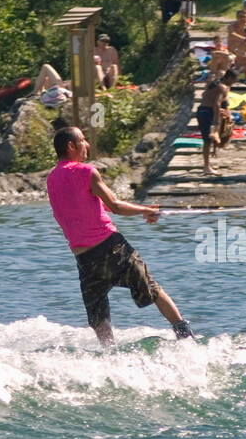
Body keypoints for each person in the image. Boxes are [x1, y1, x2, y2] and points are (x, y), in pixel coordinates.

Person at [46, 126, 194, 345]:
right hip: (111, 248)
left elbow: (77, 210)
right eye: (83, 140)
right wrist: (146, 210)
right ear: (71, 146)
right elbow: (114, 206)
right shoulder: (86, 171)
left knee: (98, 314)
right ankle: (186, 337)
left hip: (84, 258)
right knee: (152, 288)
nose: (87, 144)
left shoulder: (51, 179)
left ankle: (109, 353)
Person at [196, 69, 235, 176]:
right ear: (229, 78)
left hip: (203, 111)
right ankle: (206, 167)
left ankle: (208, 163)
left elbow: (207, 96)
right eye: (233, 80)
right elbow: (217, 104)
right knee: (207, 140)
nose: (233, 83)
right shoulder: (222, 87)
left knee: (209, 139)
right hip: (207, 113)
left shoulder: (215, 84)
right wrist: (217, 123)